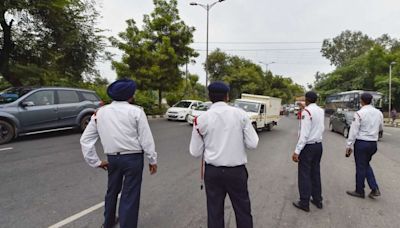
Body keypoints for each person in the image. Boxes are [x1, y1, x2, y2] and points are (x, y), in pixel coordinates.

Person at [80, 79, 158, 228]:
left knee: (112, 191)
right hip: (133, 159)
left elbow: (85, 139)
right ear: (130, 96)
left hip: (112, 159)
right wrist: (152, 160)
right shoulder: (137, 111)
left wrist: (95, 162)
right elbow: (146, 139)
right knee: (130, 196)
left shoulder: (100, 113)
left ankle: (108, 223)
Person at [189, 81, 259, 228]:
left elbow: (195, 152)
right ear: (227, 96)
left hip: (213, 173)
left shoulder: (201, 119)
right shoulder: (241, 115)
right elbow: (253, 143)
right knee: (242, 210)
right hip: (236, 172)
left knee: (214, 212)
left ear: (209, 96)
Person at [345, 93, 383, 199]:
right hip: (373, 144)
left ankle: (359, 190)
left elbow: (353, 131)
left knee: (361, 167)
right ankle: (374, 188)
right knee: (365, 164)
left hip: (362, 143)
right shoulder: (379, 113)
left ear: (361, 101)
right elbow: (380, 127)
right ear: (371, 101)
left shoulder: (359, 113)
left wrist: (349, 145)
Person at [292, 91, 325, 212]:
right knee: (315, 172)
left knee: (304, 174)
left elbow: (304, 134)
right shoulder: (320, 111)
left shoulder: (306, 112)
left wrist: (297, 151)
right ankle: (317, 199)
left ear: (306, 99)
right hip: (318, 145)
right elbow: (321, 127)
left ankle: (304, 202)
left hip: (308, 147)